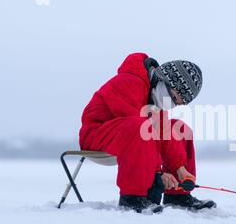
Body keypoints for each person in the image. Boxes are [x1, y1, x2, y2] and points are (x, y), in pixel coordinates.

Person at [79, 52, 216, 213]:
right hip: (97, 136)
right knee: (142, 125)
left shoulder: (155, 96)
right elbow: (143, 130)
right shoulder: (129, 82)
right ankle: (133, 198)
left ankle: (178, 196)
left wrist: (179, 168)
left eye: (177, 103)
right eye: (173, 97)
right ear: (163, 80)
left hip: (130, 136)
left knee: (179, 128)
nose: (171, 104)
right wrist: (157, 173)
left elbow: (164, 134)